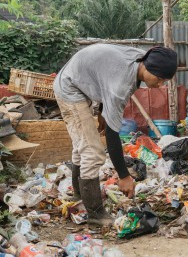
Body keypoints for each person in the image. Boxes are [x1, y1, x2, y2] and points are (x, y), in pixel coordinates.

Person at [53, 44, 177, 226]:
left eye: (164, 81)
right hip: (70, 87)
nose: (160, 85)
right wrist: (124, 176)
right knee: (92, 151)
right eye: (159, 79)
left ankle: (79, 195)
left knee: (84, 144)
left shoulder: (141, 59)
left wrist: (103, 111)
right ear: (148, 67)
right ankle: (95, 214)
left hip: (81, 79)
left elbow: (104, 76)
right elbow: (112, 135)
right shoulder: (121, 85)